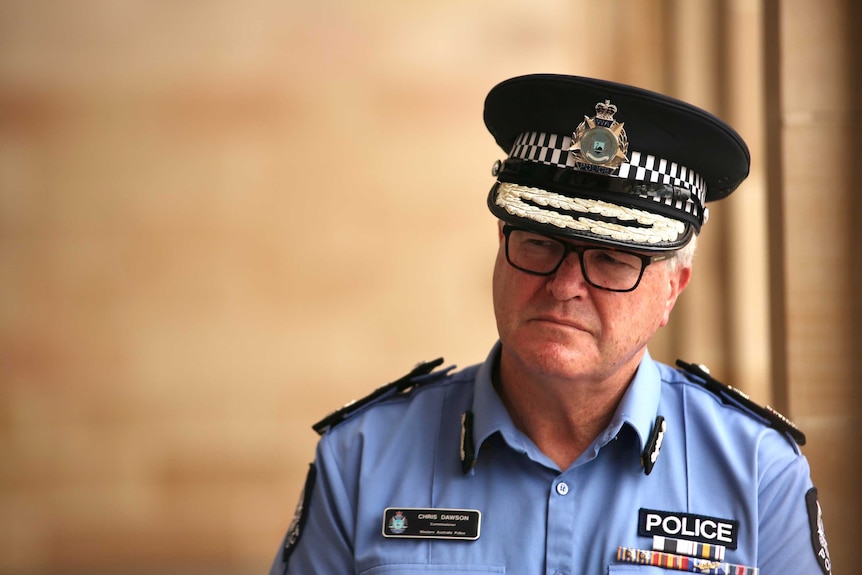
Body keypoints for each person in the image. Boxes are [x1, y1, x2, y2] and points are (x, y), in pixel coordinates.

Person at [268, 74, 831, 575]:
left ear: (672, 289)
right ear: (501, 244)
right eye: (540, 244)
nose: (564, 286)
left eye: (611, 259)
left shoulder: (758, 474)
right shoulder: (362, 458)